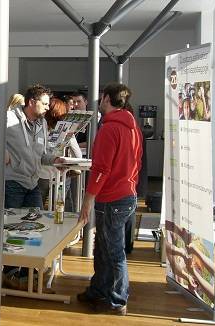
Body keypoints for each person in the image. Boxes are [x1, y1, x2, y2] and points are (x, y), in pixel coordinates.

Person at [77, 83, 142, 315]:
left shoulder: (110, 128)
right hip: (126, 194)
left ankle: (117, 300)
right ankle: (99, 290)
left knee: (112, 251)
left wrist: (88, 199)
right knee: (104, 247)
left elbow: (101, 168)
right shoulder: (132, 126)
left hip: (112, 198)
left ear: (106, 98)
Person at [4, 84, 59, 209]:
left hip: (33, 184)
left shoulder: (43, 123)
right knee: (9, 226)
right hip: (11, 183)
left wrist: (55, 160)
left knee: (36, 222)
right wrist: (2, 151)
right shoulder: (9, 117)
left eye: (48, 105)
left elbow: (42, 155)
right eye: (44, 104)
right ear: (32, 102)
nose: (47, 108)